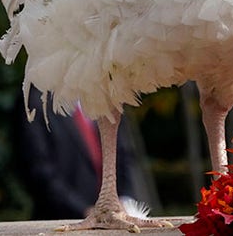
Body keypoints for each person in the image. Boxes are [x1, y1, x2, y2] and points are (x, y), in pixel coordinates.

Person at [13, 87, 143, 221]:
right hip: (60, 221)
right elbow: (37, 168)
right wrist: (84, 210)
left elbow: (123, 154)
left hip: (113, 218)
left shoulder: (104, 93)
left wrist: (125, 199)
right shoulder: (35, 100)